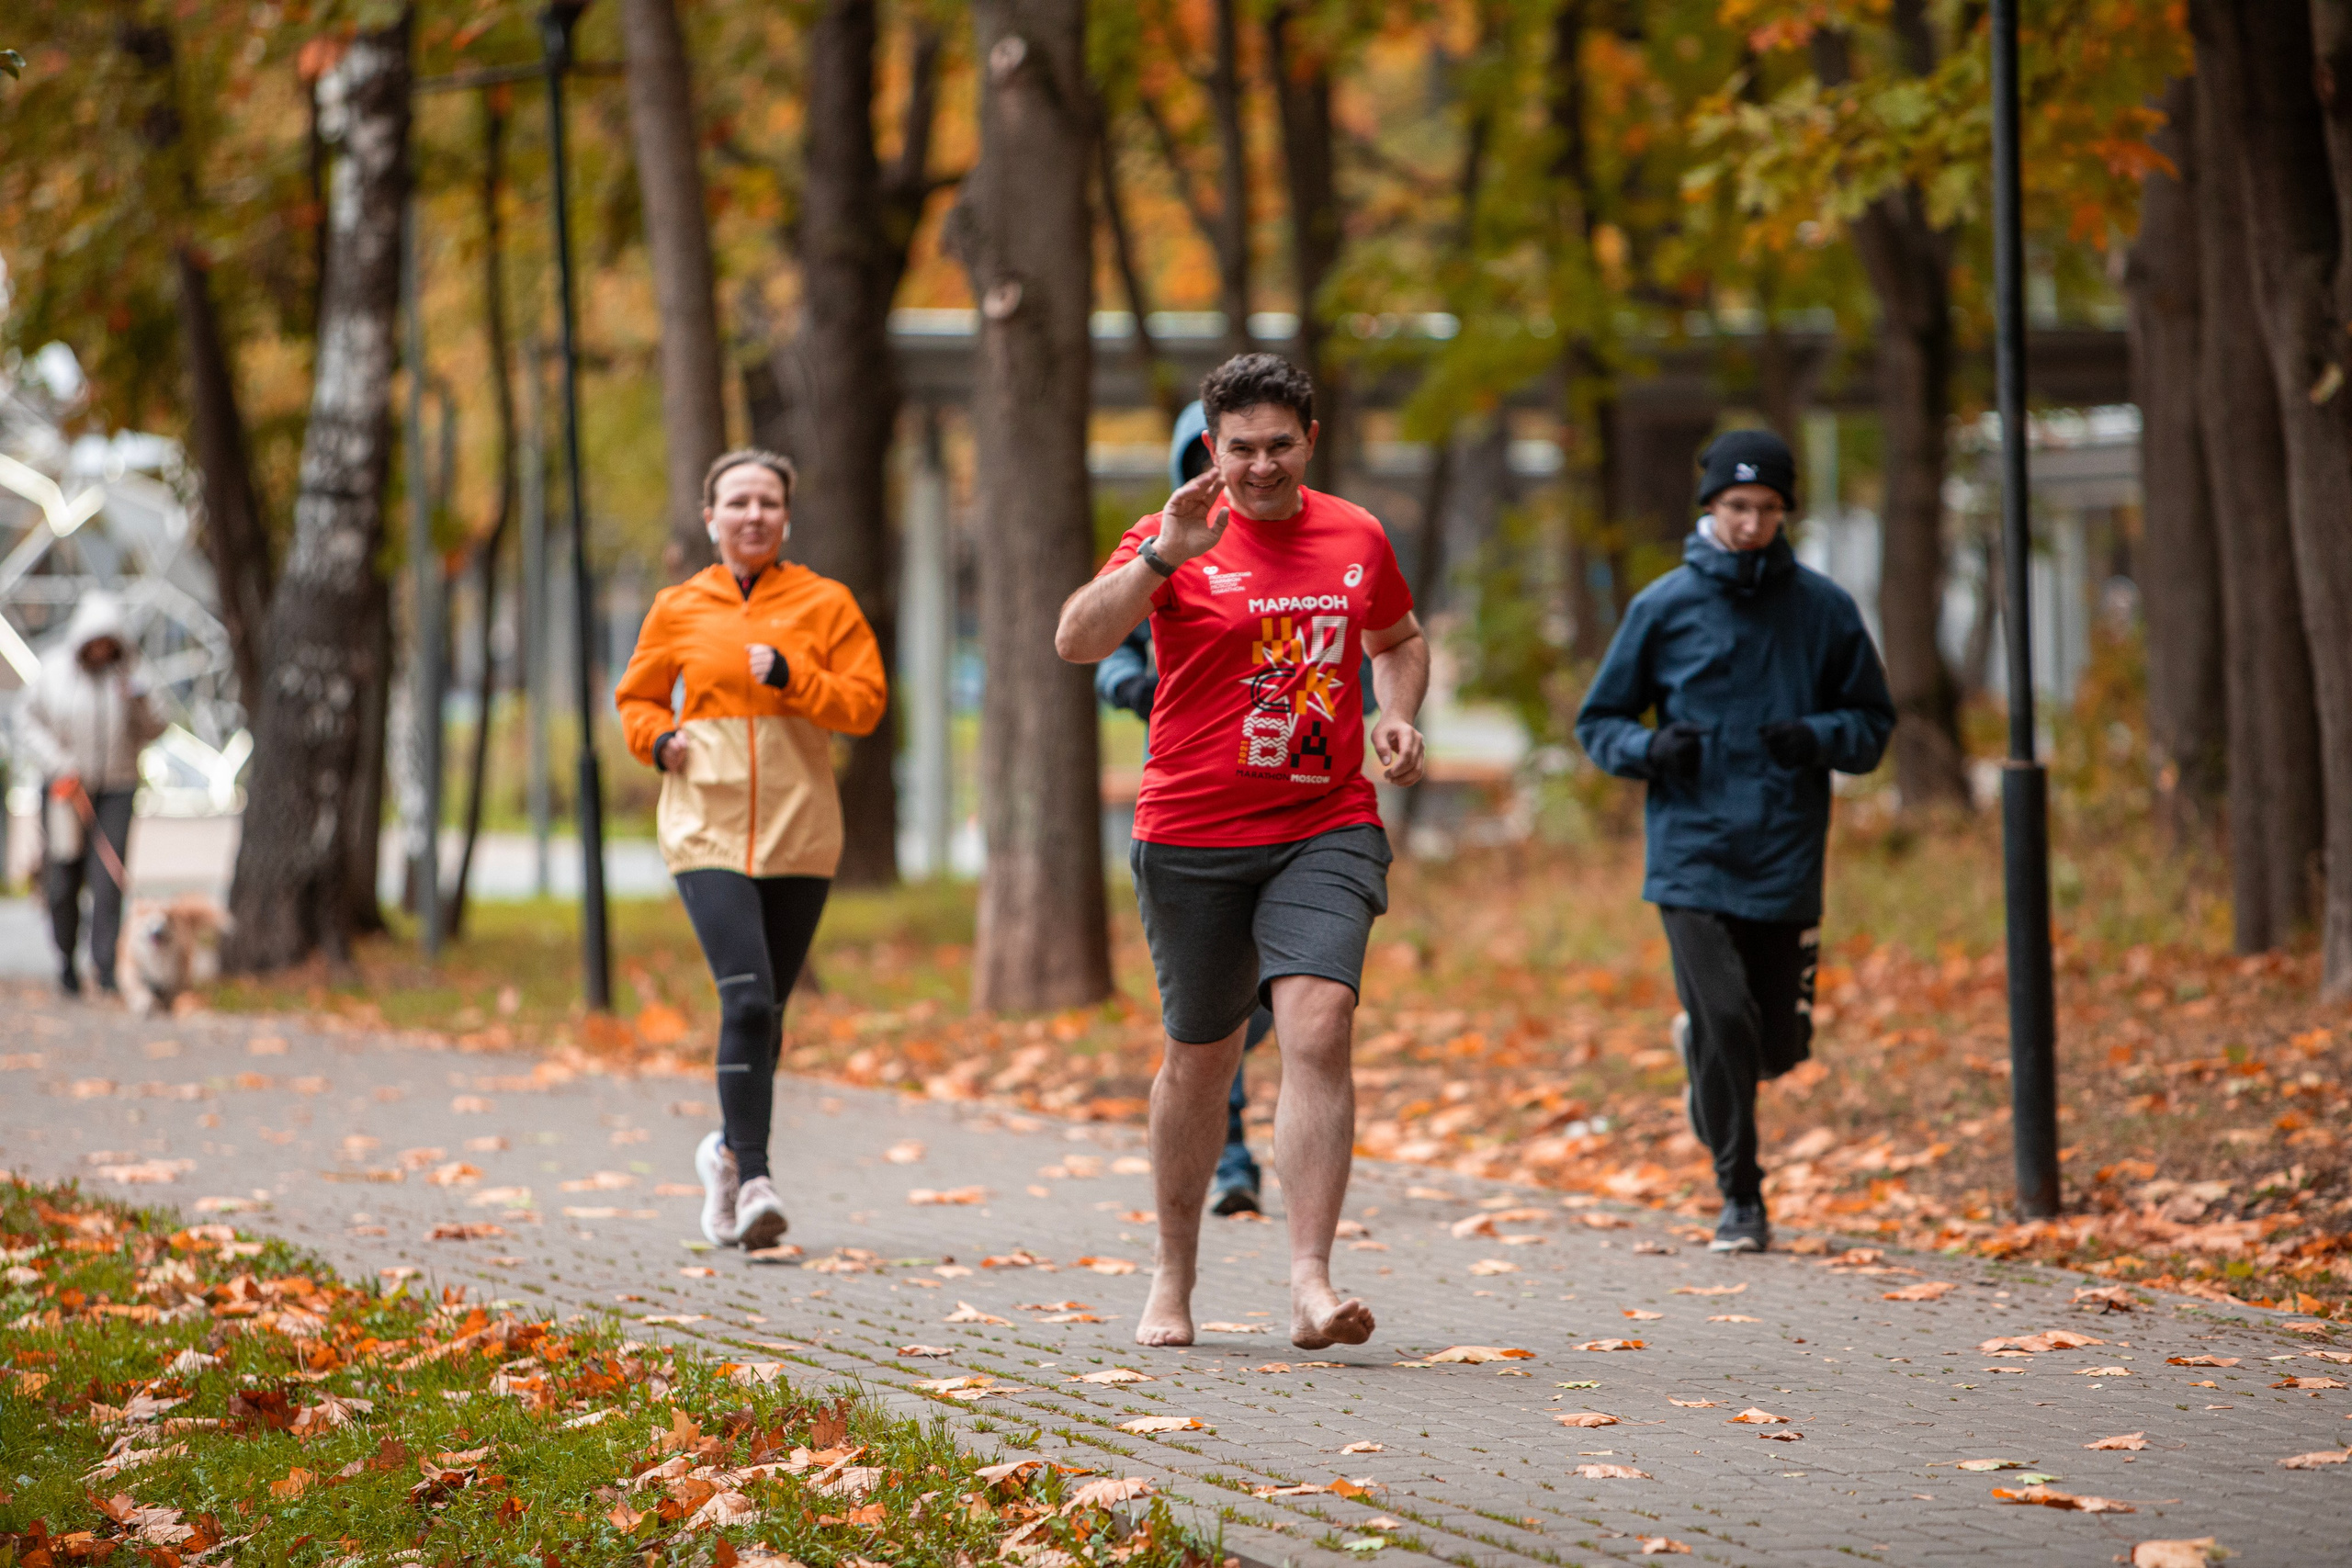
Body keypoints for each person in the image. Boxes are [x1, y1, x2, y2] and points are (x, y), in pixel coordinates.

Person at [1056, 353, 1428, 1349]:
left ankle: (1311, 1280)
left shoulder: (1357, 533)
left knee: (1319, 1026)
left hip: (1325, 820)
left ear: (1310, 439)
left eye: (1277, 446)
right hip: (1191, 832)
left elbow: (1396, 636)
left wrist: (1394, 716)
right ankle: (1173, 1275)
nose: (1258, 467)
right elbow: (1076, 643)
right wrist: (1160, 557)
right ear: (1210, 450)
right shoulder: (1171, 536)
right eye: (1238, 449)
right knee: (1201, 1056)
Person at [1574, 428, 1894, 1254]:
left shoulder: (1824, 610)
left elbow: (1871, 726)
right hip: (1691, 850)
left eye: (1766, 508)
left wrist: (1819, 736)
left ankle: (1708, 1057)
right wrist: (1650, 750)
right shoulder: (1664, 606)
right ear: (1710, 508)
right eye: (1736, 506)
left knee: (1773, 1047)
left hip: (1785, 848)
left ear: (1785, 511)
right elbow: (1598, 722)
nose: (1750, 522)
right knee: (1724, 1013)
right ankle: (1741, 1197)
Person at [616, 449, 887, 1253]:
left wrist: (795, 676)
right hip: (705, 821)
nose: (753, 515)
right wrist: (657, 739)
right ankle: (757, 1179)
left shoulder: (825, 603)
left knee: (767, 1010)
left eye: (768, 502)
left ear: (786, 516)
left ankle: (726, 1156)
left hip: (800, 827)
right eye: (737, 502)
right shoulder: (678, 606)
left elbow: (866, 704)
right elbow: (634, 697)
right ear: (710, 517)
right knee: (745, 999)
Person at [1095, 399, 1270, 1217]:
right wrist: (1133, 683)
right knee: (1208, 1008)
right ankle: (1229, 1156)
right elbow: (1104, 640)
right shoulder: (1162, 545)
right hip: (1196, 800)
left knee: (1279, 997)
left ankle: (1228, 1127)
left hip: (1291, 802)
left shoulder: (1299, 545)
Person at [23, 592, 163, 998]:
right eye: (95, 642)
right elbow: (27, 722)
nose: (102, 650)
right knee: (64, 877)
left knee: (109, 878)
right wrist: (58, 762)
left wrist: (140, 702)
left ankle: (106, 964)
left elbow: (157, 727)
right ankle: (65, 958)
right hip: (67, 788)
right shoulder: (53, 673)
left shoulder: (131, 675)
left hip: (117, 786)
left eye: (109, 643)